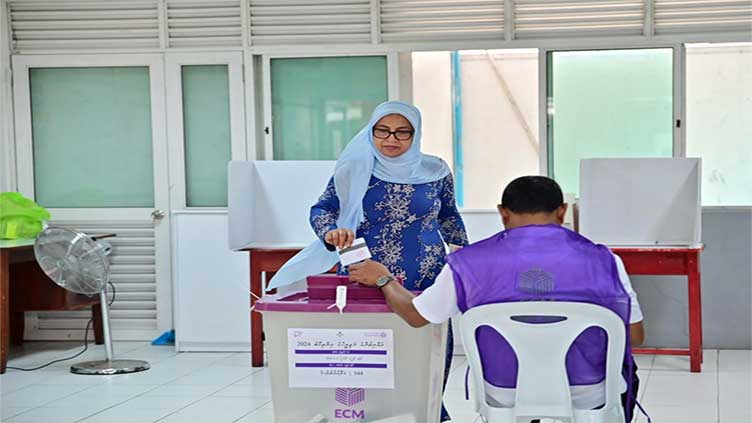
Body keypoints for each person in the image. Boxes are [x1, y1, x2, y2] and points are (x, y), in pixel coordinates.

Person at [349, 176, 645, 421]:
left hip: (504, 390)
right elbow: (635, 335)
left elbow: (415, 316)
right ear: (562, 211)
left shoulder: (467, 263)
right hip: (587, 389)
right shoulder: (604, 260)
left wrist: (383, 278)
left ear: (502, 212)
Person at [267, 101, 469, 422]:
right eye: (383, 131)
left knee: (424, 347)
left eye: (403, 132)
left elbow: (449, 218)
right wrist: (331, 232)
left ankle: (426, 408)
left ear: (415, 135)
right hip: (364, 273)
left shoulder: (436, 171)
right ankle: (365, 413)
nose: (392, 139)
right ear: (371, 132)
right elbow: (323, 209)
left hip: (425, 275)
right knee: (365, 351)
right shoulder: (355, 167)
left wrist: (465, 260)